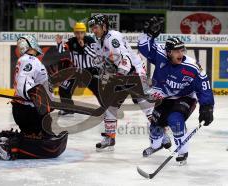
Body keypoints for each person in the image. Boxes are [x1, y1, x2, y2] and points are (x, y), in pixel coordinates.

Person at [88, 14, 171, 152]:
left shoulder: (112, 37)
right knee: (110, 106)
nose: (94, 30)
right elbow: (104, 63)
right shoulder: (99, 42)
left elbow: (125, 59)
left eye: (96, 27)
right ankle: (110, 137)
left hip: (134, 73)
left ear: (104, 26)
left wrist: (118, 75)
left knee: (147, 107)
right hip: (121, 75)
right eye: (92, 27)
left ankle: (163, 135)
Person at [138, 17, 214, 164]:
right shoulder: (160, 56)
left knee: (175, 120)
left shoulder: (191, 66)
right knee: (155, 124)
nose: (180, 53)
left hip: (186, 98)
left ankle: (183, 152)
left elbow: (203, 84)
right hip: (165, 97)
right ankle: (157, 145)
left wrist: (207, 106)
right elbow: (143, 47)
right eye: (176, 50)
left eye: (182, 49)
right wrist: (148, 34)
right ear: (168, 52)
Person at [0, 35, 68, 160]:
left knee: (35, 135)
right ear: (30, 45)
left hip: (23, 109)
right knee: (44, 142)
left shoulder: (25, 60)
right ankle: (8, 147)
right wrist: (36, 100)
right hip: (30, 110)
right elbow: (23, 85)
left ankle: (3, 139)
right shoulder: (30, 60)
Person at [55, 22, 101, 116]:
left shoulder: (91, 40)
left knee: (98, 90)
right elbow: (61, 50)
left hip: (90, 71)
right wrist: (59, 43)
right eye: (77, 33)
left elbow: (94, 55)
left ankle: (107, 107)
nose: (79, 35)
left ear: (85, 32)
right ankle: (68, 109)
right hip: (76, 71)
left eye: (81, 32)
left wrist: (84, 46)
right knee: (64, 88)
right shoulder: (71, 41)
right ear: (74, 33)